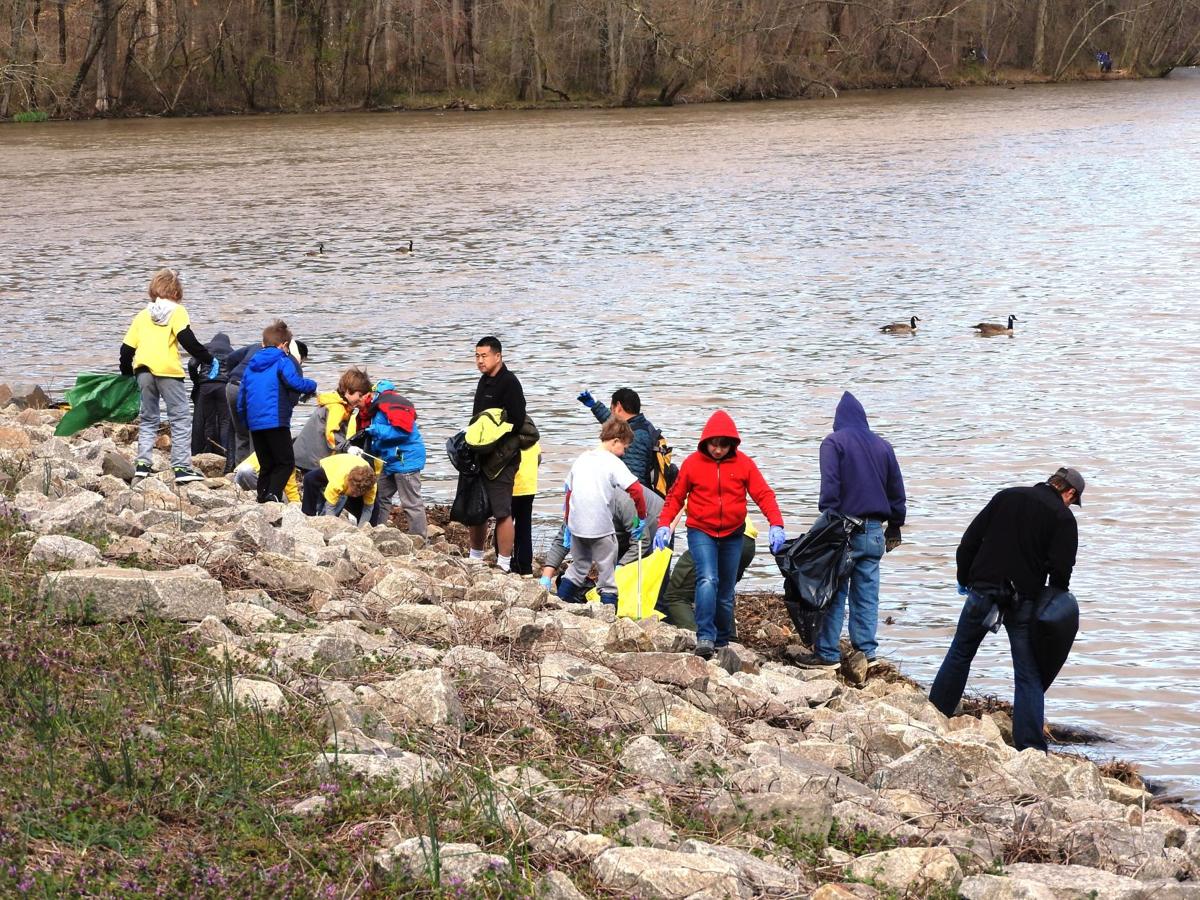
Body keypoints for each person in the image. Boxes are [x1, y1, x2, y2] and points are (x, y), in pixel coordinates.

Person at [929, 467, 1084, 753]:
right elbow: (1062, 573)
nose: (1071, 506)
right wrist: (1050, 602)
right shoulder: (1062, 517)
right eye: (1073, 501)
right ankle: (1030, 748)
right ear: (1070, 492)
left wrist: (965, 579)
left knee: (960, 653)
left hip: (982, 588)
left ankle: (934, 717)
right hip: (1023, 599)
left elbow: (969, 542)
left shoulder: (1006, 497)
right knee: (1028, 674)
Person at [654, 411, 785, 659]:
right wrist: (664, 524)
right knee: (707, 579)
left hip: (733, 534)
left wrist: (776, 524)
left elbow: (763, 494)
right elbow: (675, 497)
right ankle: (705, 637)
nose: (717, 450)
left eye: (723, 445)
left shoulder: (744, 464)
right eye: (714, 444)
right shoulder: (692, 464)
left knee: (725, 592)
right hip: (701, 530)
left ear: (731, 444)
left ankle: (723, 641)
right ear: (706, 442)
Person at [799, 391, 906, 670]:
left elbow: (831, 488)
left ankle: (827, 654)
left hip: (844, 528)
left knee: (833, 591)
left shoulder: (834, 442)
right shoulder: (884, 447)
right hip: (874, 532)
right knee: (867, 594)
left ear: (838, 420)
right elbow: (897, 492)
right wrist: (894, 526)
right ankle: (866, 653)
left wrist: (828, 522)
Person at [119, 267, 216, 485]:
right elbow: (187, 339)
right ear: (176, 293)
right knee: (180, 418)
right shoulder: (177, 311)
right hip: (168, 372)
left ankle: (143, 465)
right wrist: (208, 358)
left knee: (148, 418)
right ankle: (181, 467)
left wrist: (127, 374)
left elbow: (126, 350)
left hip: (143, 371)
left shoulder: (142, 315)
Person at [557, 419, 648, 605]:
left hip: (576, 526)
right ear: (615, 441)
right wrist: (641, 518)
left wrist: (567, 522)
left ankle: (559, 603)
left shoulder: (582, 458)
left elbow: (568, 491)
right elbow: (636, 490)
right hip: (600, 527)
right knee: (607, 576)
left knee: (578, 567)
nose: (624, 452)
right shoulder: (612, 462)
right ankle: (609, 618)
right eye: (625, 447)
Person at [237, 320, 316, 503]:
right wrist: (312, 385)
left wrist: (245, 420)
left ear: (263, 343)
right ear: (285, 345)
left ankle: (262, 497)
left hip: (255, 423)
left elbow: (242, 396)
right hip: (276, 420)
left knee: (266, 464)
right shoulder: (282, 360)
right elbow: (294, 382)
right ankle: (272, 494)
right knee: (286, 462)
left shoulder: (251, 365)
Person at [540, 476, 664, 590]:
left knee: (651, 584)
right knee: (614, 582)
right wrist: (545, 578)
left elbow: (642, 540)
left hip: (655, 523)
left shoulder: (623, 501)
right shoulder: (577, 504)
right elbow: (562, 540)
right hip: (620, 530)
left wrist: (621, 566)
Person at [469, 336, 526, 572]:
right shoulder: (484, 381)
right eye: (477, 356)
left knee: (502, 511)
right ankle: (475, 557)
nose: (480, 361)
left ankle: (503, 563)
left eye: (484, 356)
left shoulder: (510, 383)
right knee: (476, 508)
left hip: (502, 457)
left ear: (498, 356)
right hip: (480, 454)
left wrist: (496, 441)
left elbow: (517, 420)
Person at [225, 338, 308, 469]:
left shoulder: (257, 346)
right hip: (251, 393)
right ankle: (254, 473)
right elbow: (293, 397)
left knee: (241, 434)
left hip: (232, 388)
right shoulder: (291, 361)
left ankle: (238, 474)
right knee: (257, 436)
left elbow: (230, 358)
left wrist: (232, 376)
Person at [660, 520, 757, 631]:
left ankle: (696, 637)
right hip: (747, 542)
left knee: (675, 596)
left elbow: (674, 512)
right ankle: (729, 639)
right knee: (721, 592)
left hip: (716, 537)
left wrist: (663, 537)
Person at [363, 380, 428, 536]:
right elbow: (386, 440)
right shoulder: (387, 407)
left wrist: (375, 430)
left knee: (411, 503)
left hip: (406, 461)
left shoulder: (389, 406)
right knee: (380, 496)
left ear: (377, 393)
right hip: (392, 461)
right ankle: (379, 532)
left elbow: (401, 432)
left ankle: (419, 541)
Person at [577, 387, 659, 489]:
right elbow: (613, 423)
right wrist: (595, 405)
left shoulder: (635, 438)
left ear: (618, 407)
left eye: (611, 409)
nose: (611, 413)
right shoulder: (639, 425)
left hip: (638, 497)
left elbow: (634, 479)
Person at [293, 367, 371, 473]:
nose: (361, 399)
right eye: (360, 395)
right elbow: (332, 434)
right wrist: (348, 448)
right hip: (311, 460)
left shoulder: (337, 402)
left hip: (305, 455)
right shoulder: (336, 408)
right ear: (348, 391)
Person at [187, 332, 235, 471]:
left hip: (205, 387)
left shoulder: (205, 348)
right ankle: (226, 455)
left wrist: (197, 380)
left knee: (203, 419)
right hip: (223, 388)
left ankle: (201, 452)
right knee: (225, 421)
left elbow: (191, 364)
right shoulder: (231, 351)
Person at [301, 453, 378, 526]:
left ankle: (370, 533)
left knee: (375, 507)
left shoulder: (371, 487)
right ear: (348, 482)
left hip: (355, 469)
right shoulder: (338, 482)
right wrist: (331, 526)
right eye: (354, 492)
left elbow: (368, 509)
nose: (355, 495)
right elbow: (330, 507)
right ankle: (308, 516)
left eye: (359, 493)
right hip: (334, 465)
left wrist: (362, 530)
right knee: (309, 479)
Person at [511, 440, 541, 575]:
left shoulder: (507, 433)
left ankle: (504, 561)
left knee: (504, 523)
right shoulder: (532, 436)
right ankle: (525, 567)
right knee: (524, 527)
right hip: (529, 486)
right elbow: (538, 458)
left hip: (510, 486)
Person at [232, 451, 300, 503]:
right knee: (280, 496)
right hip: (249, 474)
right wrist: (297, 504)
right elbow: (291, 489)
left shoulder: (267, 448)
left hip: (238, 475)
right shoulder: (286, 460)